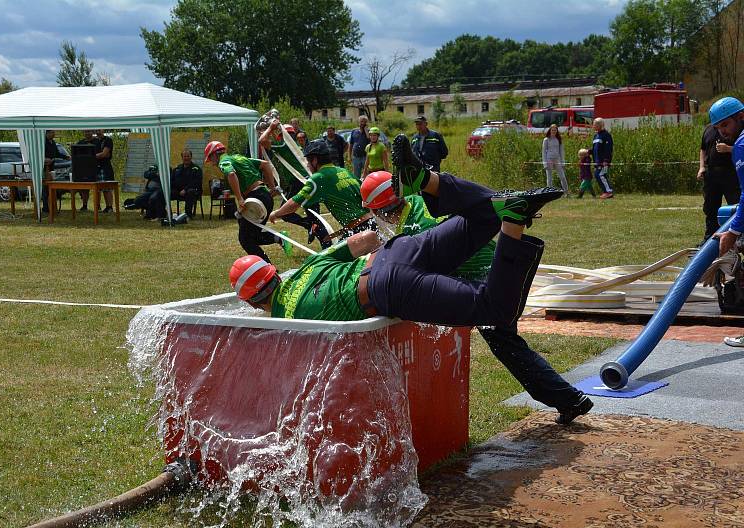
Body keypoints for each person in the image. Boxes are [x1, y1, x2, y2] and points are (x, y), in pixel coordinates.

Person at [230, 135, 588, 424]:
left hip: (398, 283)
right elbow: (360, 243)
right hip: (395, 257)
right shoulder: (308, 271)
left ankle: (513, 222)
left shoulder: (287, 320)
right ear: (275, 273)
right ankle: (433, 179)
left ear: (250, 301)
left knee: (497, 313)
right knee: (486, 215)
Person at [359, 168, 593, 423]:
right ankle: (569, 400)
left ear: (380, 210)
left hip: (489, 275)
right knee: (506, 343)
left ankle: (568, 399)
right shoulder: (416, 203)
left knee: (504, 339)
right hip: (490, 265)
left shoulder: (413, 225)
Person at [268, 139, 372, 242]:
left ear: (315, 160)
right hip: (370, 223)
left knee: (322, 259)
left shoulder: (319, 178)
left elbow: (294, 203)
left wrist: (276, 213)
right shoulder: (344, 171)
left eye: (308, 161)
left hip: (359, 231)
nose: (307, 165)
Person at [703, 97, 744, 347]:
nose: (722, 132)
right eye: (717, 128)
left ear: (741, 117)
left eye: (725, 124)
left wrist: (732, 230)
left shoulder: (741, 145)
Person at [205, 141, 288, 262]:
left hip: (255, 198)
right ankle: (279, 238)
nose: (212, 164)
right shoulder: (240, 157)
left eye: (211, 159)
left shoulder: (224, 161)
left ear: (214, 155)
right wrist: (272, 187)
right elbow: (265, 164)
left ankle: (270, 271)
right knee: (252, 236)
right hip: (265, 197)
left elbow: (231, 174)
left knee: (246, 240)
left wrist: (239, 198)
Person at [258, 120, 330, 246]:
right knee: (315, 217)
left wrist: (270, 128)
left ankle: (311, 227)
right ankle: (324, 242)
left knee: (286, 213)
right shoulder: (293, 145)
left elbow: (262, 141)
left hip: (298, 182)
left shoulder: (284, 145)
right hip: (306, 180)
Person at [698, 118, 740, 243]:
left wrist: (728, 148)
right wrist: (701, 167)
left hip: (730, 173)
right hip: (711, 173)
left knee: (735, 207)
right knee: (710, 208)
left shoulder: (736, 129)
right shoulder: (708, 129)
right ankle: (709, 239)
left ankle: (737, 238)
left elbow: (740, 148)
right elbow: (703, 149)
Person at [171, 149, 203, 218]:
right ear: (182, 158)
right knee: (165, 192)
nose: (186, 158)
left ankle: (187, 215)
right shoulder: (177, 169)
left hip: (192, 191)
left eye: (188, 156)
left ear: (191, 157)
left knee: (190, 192)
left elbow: (196, 182)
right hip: (179, 191)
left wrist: (185, 189)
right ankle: (164, 214)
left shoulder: (196, 169)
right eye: (184, 156)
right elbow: (172, 181)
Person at [542, 124, 568, 193]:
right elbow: (544, 152)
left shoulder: (559, 139)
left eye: (555, 130)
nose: (554, 131)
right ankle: (549, 193)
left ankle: (566, 192)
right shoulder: (546, 139)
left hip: (557, 159)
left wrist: (563, 162)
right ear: (550, 130)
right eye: (552, 130)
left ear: (557, 131)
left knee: (562, 177)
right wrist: (545, 163)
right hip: (549, 160)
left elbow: (561, 151)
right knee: (549, 178)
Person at [592, 118, 614, 199]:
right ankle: (606, 191)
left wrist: (606, 160)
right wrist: (588, 152)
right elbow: (595, 149)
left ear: (600, 125)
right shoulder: (595, 136)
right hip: (597, 161)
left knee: (599, 175)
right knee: (600, 175)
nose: (593, 126)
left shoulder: (606, 135)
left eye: (594, 124)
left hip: (603, 161)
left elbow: (608, 149)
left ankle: (608, 192)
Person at [95, 129, 115, 213]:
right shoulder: (95, 141)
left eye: (99, 130)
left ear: (103, 130)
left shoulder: (108, 140)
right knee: (97, 188)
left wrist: (91, 156)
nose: (98, 132)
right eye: (96, 130)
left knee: (107, 188)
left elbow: (105, 154)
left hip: (105, 167)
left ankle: (109, 207)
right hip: (96, 167)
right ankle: (97, 206)